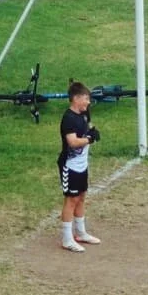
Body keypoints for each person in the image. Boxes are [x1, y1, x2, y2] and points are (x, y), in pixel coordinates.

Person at [57, 81, 101, 252]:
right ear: (76, 99)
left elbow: (87, 128)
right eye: (86, 99)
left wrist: (91, 131)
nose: (88, 102)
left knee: (81, 197)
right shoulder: (68, 118)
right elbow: (73, 142)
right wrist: (90, 139)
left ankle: (81, 233)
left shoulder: (83, 115)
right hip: (70, 166)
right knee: (71, 200)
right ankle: (67, 239)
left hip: (82, 165)